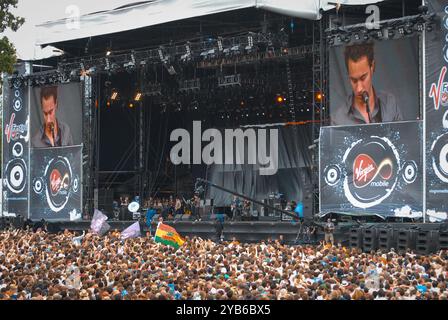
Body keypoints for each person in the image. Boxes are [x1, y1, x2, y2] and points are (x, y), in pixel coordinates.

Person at [331, 42, 402, 126]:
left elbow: (403, 138)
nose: (359, 88)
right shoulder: (338, 119)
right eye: (354, 80)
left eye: (363, 78)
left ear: (372, 67)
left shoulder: (390, 104)